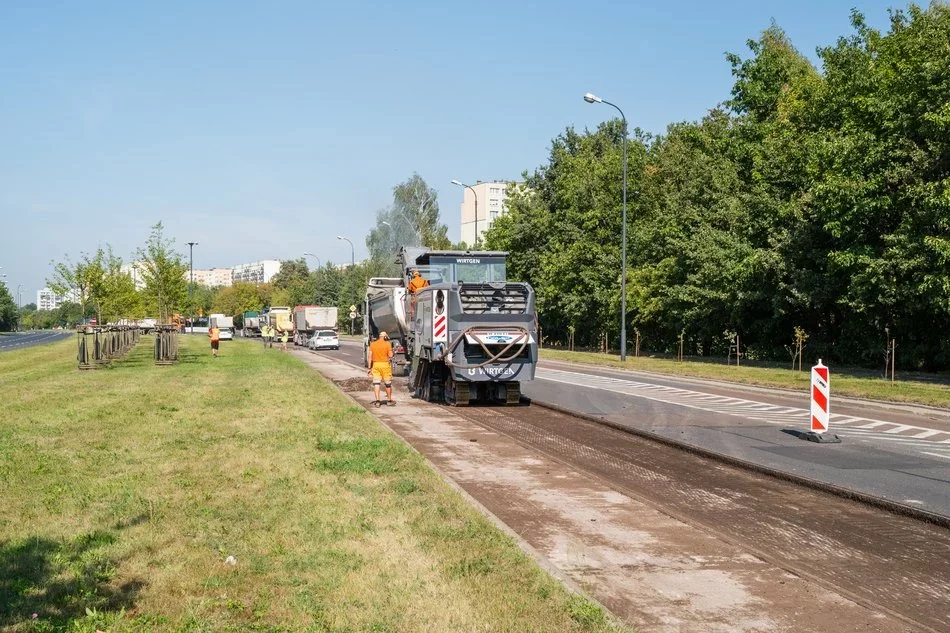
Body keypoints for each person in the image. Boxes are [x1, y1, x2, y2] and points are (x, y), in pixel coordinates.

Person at [367, 331, 395, 407]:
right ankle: (389, 400)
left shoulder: (373, 344)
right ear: (385, 337)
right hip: (385, 365)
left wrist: (369, 368)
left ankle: (377, 401)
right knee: (388, 384)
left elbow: (370, 357)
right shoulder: (387, 344)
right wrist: (392, 351)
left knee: (376, 384)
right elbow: (390, 355)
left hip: (376, 365)